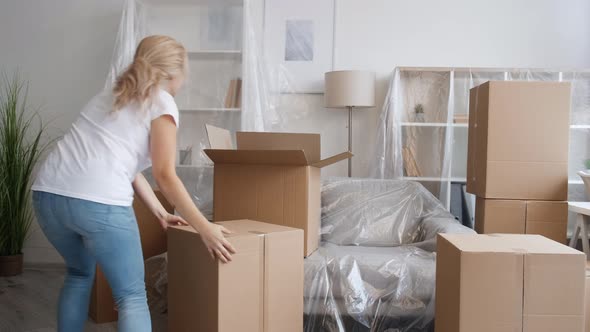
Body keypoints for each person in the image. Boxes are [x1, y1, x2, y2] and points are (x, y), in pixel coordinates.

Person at [31, 35, 235, 332]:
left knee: (78, 273)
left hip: (47, 196)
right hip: (99, 204)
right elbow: (165, 174)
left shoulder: (111, 94)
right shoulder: (163, 102)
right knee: (131, 296)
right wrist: (206, 228)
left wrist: (158, 211)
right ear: (172, 73)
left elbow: (126, 165)